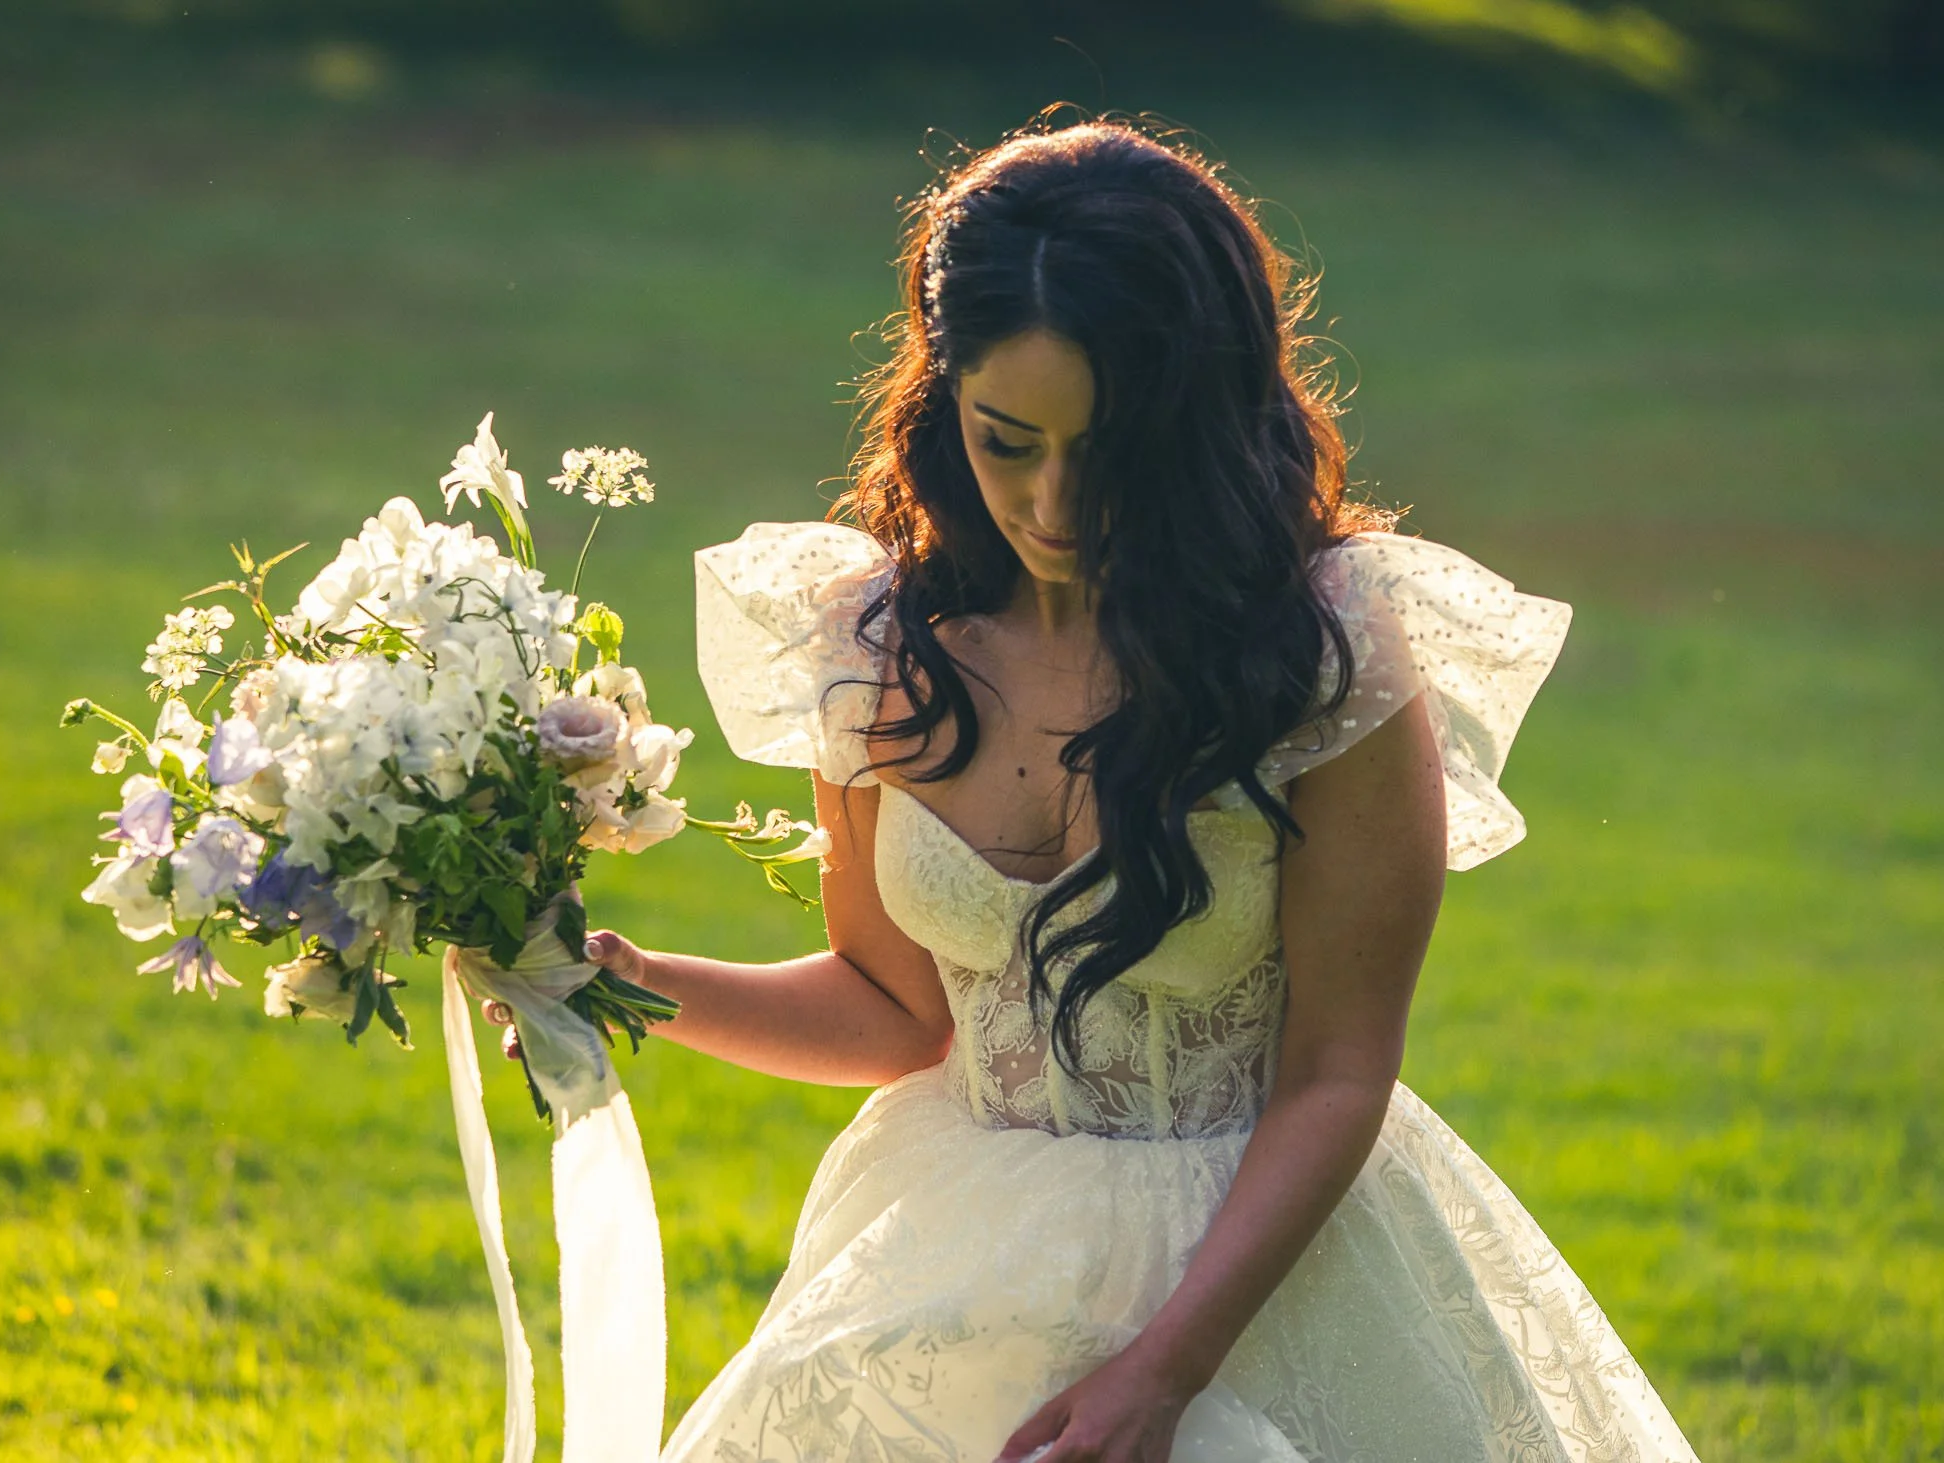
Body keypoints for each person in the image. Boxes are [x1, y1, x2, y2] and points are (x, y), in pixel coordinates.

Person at [496, 116, 1700, 1462]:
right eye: (1008, 442)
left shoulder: (1323, 655)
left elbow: (1338, 1071)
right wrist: (622, 978)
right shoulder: (875, 645)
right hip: (955, 1252)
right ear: (943, 397)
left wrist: (1161, 1372)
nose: (1056, 504)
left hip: (1256, 1273)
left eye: (1110, 450)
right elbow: (898, 1011)